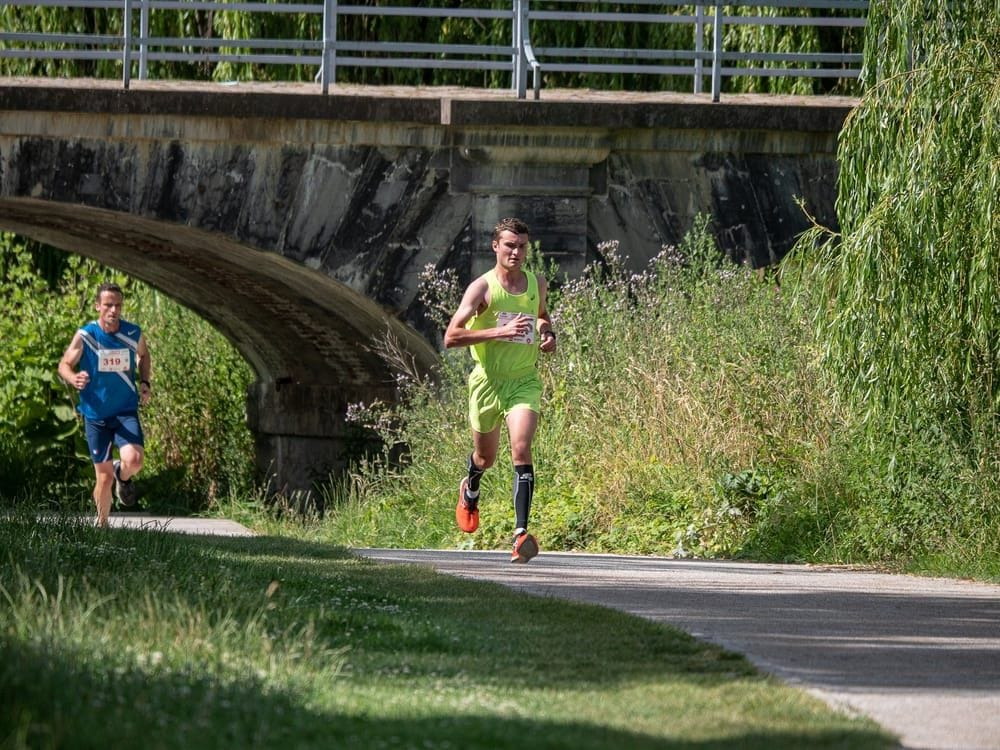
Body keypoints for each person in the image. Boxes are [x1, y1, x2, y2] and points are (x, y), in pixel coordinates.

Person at [444, 217, 557, 563]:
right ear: (495, 246)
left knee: (521, 450)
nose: (516, 252)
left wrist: (547, 333)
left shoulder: (537, 283)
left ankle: (521, 534)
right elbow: (451, 337)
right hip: (487, 382)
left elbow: (541, 315)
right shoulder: (482, 289)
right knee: (486, 458)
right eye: (509, 245)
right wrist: (498, 333)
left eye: (522, 246)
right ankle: (471, 486)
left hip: (524, 379)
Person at [58, 282, 151, 528]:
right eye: (108, 305)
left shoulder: (132, 333)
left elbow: (144, 355)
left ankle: (124, 474)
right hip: (96, 414)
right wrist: (73, 378)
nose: (113, 310)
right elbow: (64, 364)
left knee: (135, 460)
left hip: (124, 410)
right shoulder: (86, 335)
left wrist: (145, 382)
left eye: (118, 305)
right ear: (98, 305)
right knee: (103, 477)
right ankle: (102, 525)